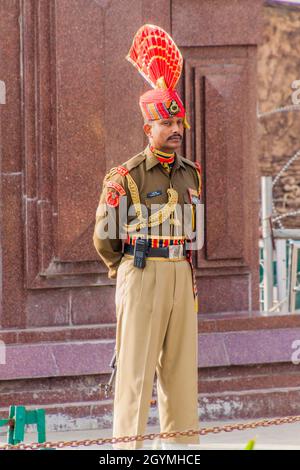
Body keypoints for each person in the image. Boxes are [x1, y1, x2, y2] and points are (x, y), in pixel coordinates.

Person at [93, 24, 203, 450]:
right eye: (166, 122)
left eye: (178, 121)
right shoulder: (127, 175)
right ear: (148, 128)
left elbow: (194, 232)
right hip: (140, 272)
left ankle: (181, 454)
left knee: (180, 377)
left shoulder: (190, 173)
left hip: (180, 274)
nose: (175, 129)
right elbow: (106, 237)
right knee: (136, 376)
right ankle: (128, 453)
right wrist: (125, 274)